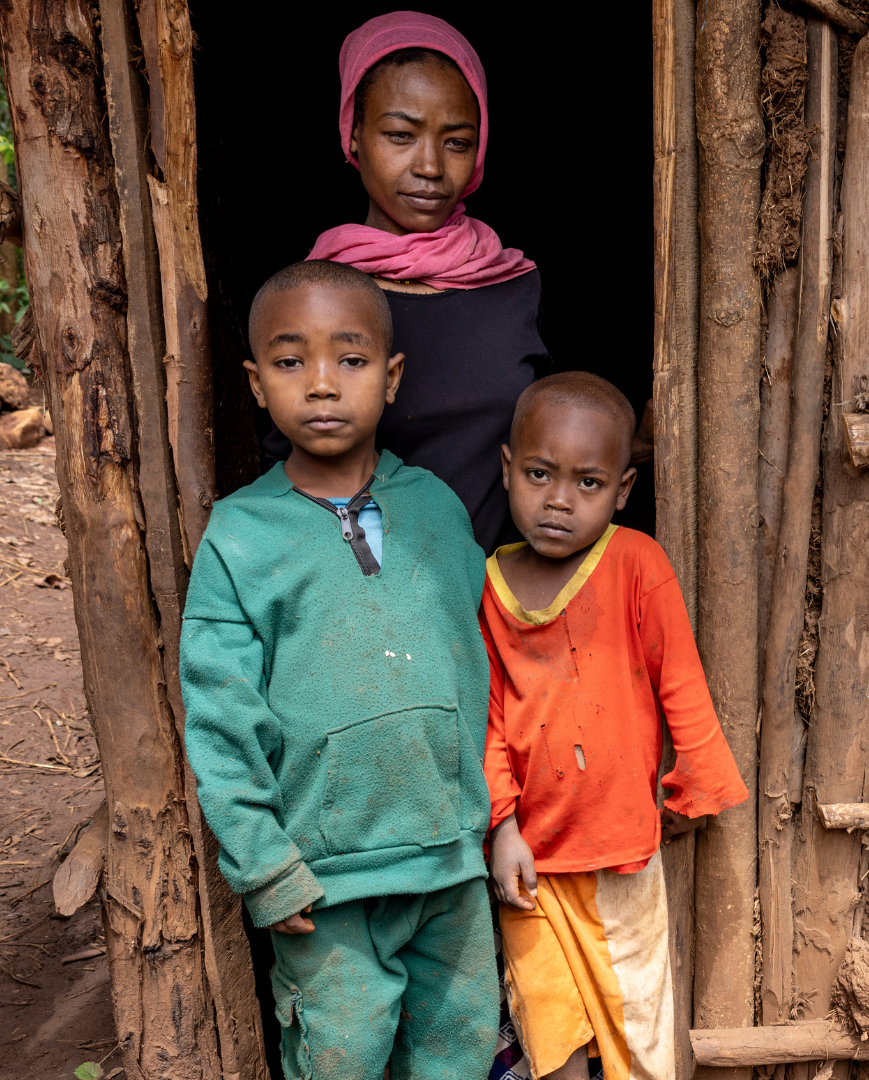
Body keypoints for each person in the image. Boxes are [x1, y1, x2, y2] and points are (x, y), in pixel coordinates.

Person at [181, 260, 497, 1079]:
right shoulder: (241, 536)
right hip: (325, 885)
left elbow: (486, 665)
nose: (322, 384)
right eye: (291, 362)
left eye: (350, 360)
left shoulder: (434, 507)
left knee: (456, 1052)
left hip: (452, 864)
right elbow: (221, 718)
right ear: (255, 384)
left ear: (391, 379)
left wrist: (496, 822)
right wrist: (266, 867)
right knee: (341, 1054)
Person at [483, 373, 747, 1079]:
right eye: (539, 475)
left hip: (617, 848)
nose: (559, 500)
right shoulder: (487, 586)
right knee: (549, 1021)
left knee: (635, 1025)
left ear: (624, 489)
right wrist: (501, 825)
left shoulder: (636, 563)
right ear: (508, 468)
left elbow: (680, 680)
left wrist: (693, 785)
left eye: (588, 483)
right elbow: (485, 718)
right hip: (529, 862)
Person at [292, 12, 549, 551]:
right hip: (368, 604)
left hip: (500, 605)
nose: (430, 166)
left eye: (457, 142)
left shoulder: (513, 285)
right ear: (354, 135)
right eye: (400, 136)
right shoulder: (315, 296)